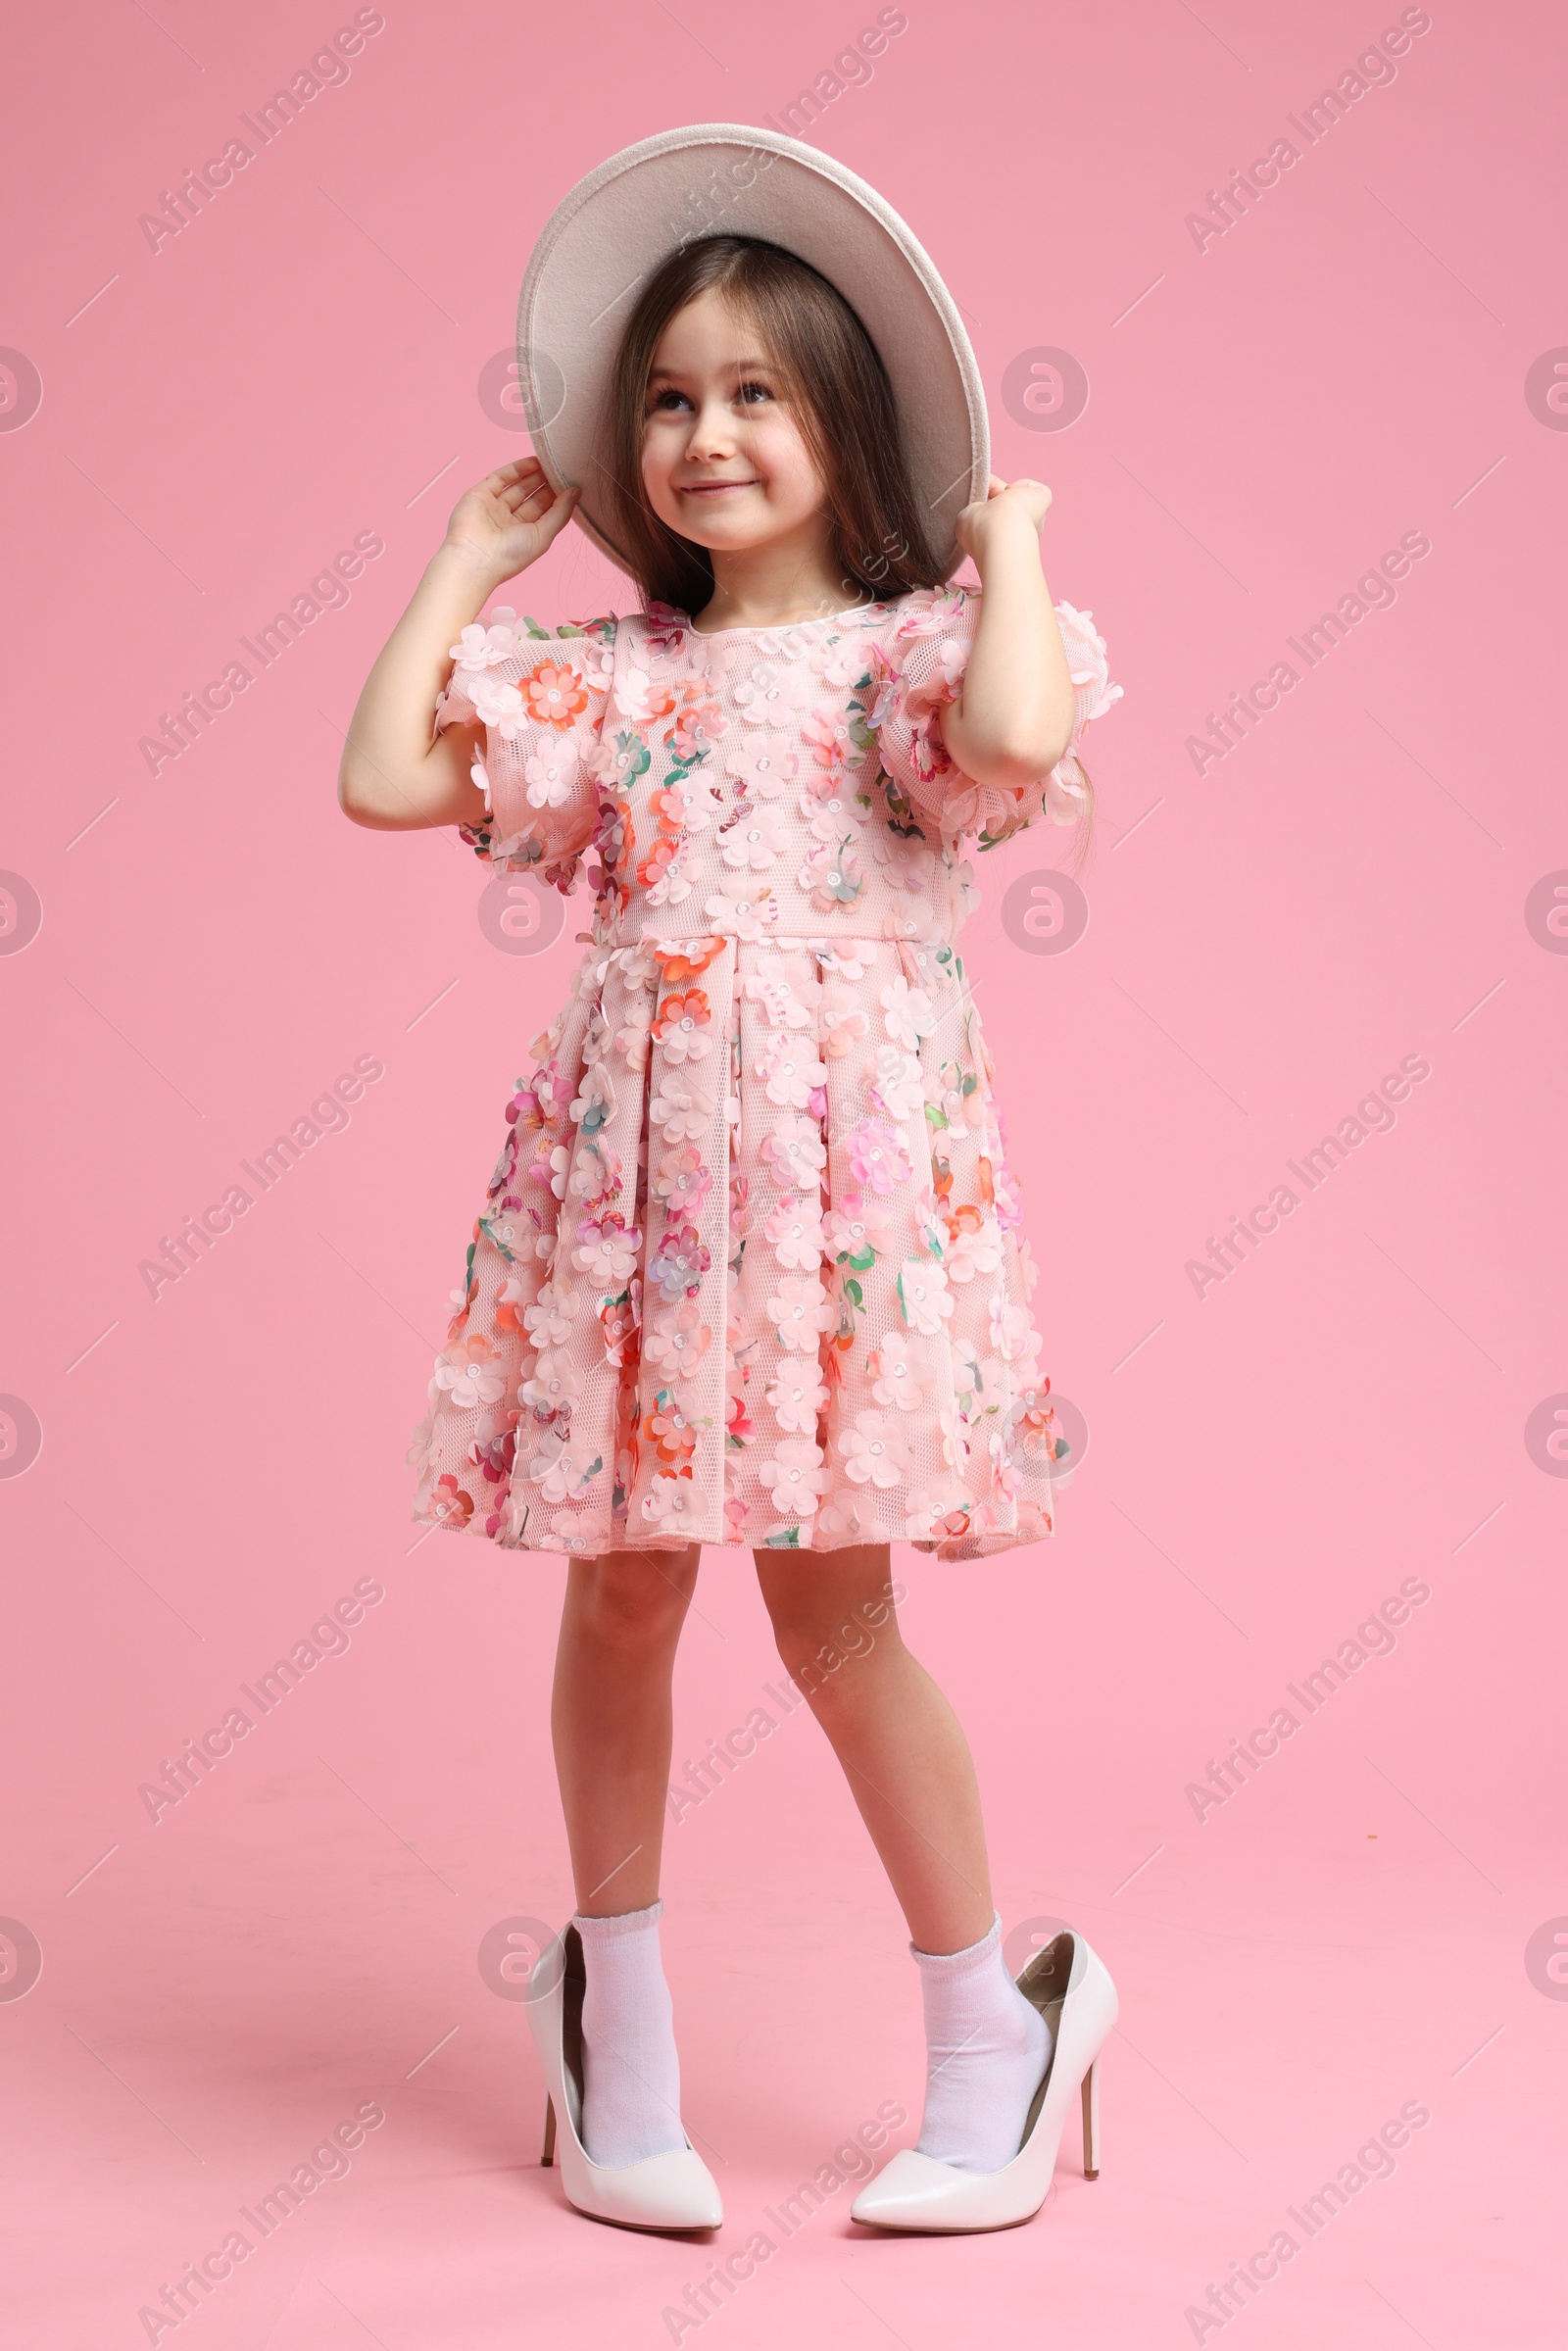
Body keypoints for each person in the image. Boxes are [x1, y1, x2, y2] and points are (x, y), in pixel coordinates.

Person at [339, 127, 1121, 2236]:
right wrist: (460, 568)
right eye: (666, 398)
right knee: (622, 1588)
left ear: (839, 424)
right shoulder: (613, 676)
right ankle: (616, 2036)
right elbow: (385, 777)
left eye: (753, 392)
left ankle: (1000, 2027)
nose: (700, 433)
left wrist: (1007, 535)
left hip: (835, 1225)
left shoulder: (900, 661)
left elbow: (1022, 738)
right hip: (641, 1209)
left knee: (837, 1621)